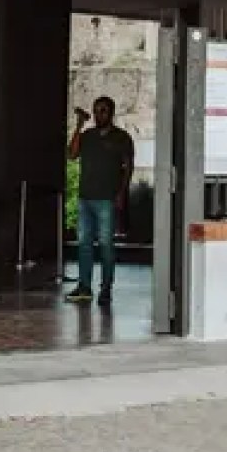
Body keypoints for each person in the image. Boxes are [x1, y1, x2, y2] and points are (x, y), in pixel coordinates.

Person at [66, 96, 134, 307]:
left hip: (107, 198)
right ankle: (84, 286)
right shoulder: (87, 135)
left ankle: (106, 288)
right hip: (86, 197)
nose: (98, 115)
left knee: (106, 245)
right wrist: (78, 125)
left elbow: (128, 167)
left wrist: (121, 193)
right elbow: (71, 154)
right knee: (84, 244)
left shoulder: (122, 138)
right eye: (96, 111)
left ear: (111, 113)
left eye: (103, 111)